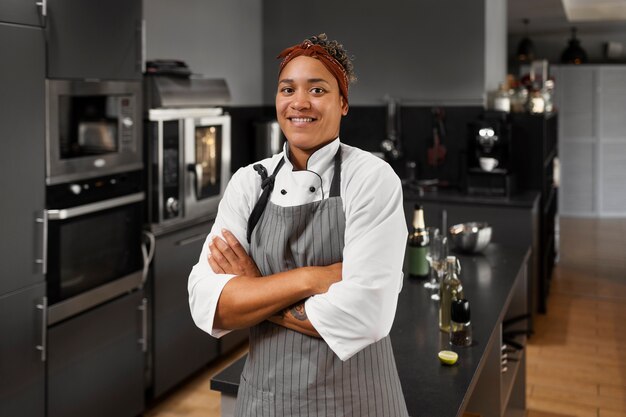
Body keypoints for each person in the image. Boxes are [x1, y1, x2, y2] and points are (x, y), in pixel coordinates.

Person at [189, 33, 409, 416]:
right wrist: (311, 278)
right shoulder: (249, 183)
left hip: (355, 401)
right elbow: (209, 303)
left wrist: (254, 290)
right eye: (287, 89)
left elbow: (367, 315)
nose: (299, 103)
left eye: (318, 89)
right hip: (264, 399)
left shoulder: (372, 178)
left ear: (342, 103)